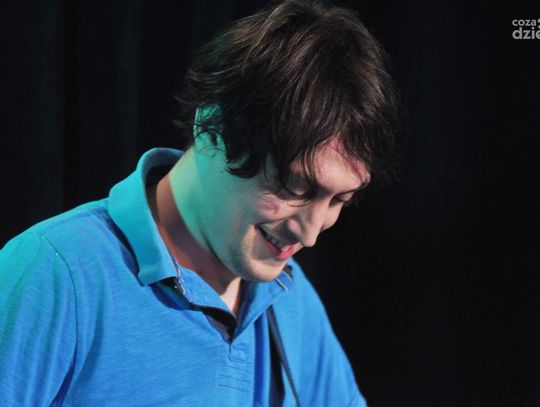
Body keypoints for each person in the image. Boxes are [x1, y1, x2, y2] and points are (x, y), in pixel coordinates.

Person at [0, 0, 398, 405]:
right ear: (214, 130)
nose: (310, 234)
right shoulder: (56, 272)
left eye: (339, 199)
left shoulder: (290, 295)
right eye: (295, 188)